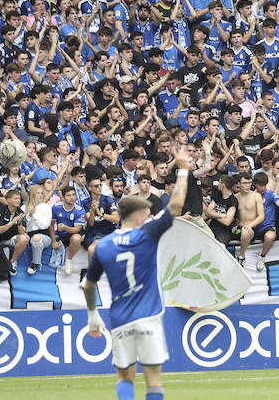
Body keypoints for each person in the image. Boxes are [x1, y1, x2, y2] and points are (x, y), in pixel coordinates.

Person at [83, 148, 192, 400]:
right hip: (149, 316)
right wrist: (184, 169)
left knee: (125, 378)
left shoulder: (104, 245)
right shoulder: (147, 233)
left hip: (120, 318)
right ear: (140, 215)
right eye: (146, 212)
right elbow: (176, 205)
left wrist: (92, 316)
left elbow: (88, 286)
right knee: (153, 382)